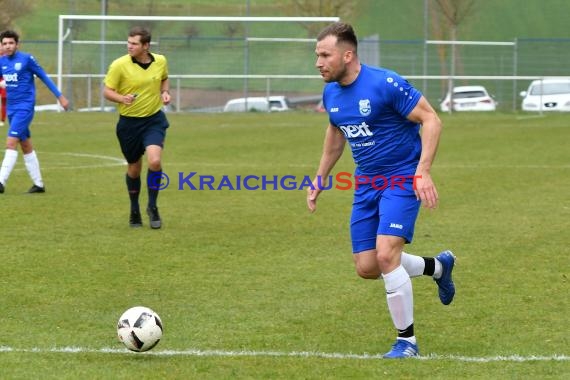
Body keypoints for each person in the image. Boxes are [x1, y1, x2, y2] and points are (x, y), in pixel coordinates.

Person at [307, 22, 456, 359]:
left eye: (325, 55)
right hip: (367, 182)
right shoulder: (331, 92)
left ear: (348, 55)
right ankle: (438, 268)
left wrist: (423, 171)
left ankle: (407, 342)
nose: (318, 62)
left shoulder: (385, 83)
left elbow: (431, 120)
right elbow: (335, 135)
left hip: (402, 177)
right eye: (317, 55)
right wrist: (320, 178)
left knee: (387, 255)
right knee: (368, 266)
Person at [103, 26, 171, 229]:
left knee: (155, 161)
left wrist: (165, 93)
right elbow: (107, 91)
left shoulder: (160, 61)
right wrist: (122, 98)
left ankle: (152, 206)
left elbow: (164, 79)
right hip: (129, 124)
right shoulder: (119, 65)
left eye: (134, 44)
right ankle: (134, 210)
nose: (129, 46)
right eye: (128, 42)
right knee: (134, 168)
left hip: (153, 120)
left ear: (146, 46)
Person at [0, 30, 69, 194]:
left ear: (17, 44)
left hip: (25, 107)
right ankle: (38, 184)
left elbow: (44, 76)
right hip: (11, 108)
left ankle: (1, 181)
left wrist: (60, 96)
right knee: (25, 144)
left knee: (11, 142)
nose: (8, 46)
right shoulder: (2, 62)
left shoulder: (26, 59)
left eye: (11, 43)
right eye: (5, 43)